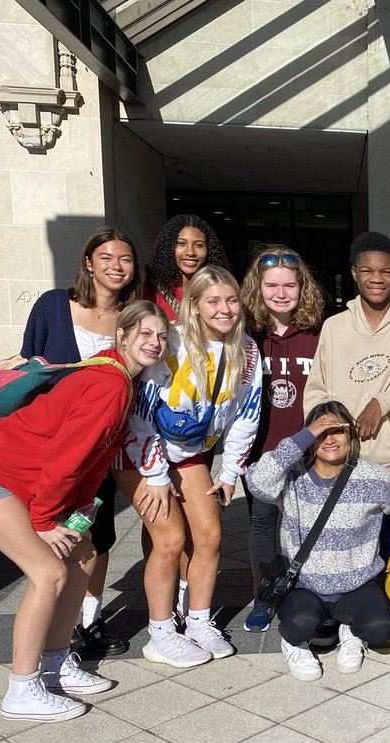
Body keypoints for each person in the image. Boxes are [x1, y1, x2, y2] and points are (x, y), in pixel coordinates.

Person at [0, 301, 169, 721]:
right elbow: (65, 459)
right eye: (144, 333)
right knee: (48, 573)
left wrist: (82, 507)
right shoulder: (110, 384)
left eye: (160, 336)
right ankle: (22, 689)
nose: (154, 342)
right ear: (122, 335)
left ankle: (55, 664)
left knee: (83, 553)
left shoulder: (121, 377)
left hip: (19, 478)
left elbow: (98, 455)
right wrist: (46, 521)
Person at [118, 265, 263, 668]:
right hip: (140, 454)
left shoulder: (248, 352)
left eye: (231, 300)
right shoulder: (171, 344)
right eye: (213, 301)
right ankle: (160, 633)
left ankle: (198, 622)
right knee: (169, 539)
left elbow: (246, 416)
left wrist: (230, 471)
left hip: (189, 453)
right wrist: (156, 476)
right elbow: (139, 418)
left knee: (211, 535)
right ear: (194, 305)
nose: (224, 309)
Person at [21, 227, 144, 657]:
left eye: (125, 259)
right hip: (52, 444)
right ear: (89, 263)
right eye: (106, 257)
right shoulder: (54, 305)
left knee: (96, 531)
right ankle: (56, 623)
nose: (116, 265)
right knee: (51, 532)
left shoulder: (131, 318)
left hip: (101, 445)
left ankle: (88, 620)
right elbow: (30, 366)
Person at [246, 402, 390, 680]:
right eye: (320, 432)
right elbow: (257, 481)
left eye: (337, 431)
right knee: (299, 625)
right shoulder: (293, 477)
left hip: (356, 584)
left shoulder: (371, 478)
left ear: (351, 436)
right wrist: (304, 435)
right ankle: (295, 644)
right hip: (305, 584)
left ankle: (349, 631)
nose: (329, 439)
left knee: (380, 628)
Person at [237, 244, 326, 633]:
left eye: (289, 285)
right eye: (271, 285)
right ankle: (264, 595)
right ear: (257, 288)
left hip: (308, 450)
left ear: (301, 288)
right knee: (262, 525)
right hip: (262, 451)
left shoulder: (319, 333)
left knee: (308, 524)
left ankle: (309, 591)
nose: (280, 293)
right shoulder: (244, 335)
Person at [299, 231, 390, 475]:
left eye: (386, 271)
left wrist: (382, 402)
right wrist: (330, 430)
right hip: (336, 460)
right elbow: (316, 391)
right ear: (354, 273)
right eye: (367, 270)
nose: (377, 279)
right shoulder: (334, 326)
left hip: (385, 460)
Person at [144, 214, 229, 321]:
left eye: (198, 245)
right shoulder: (151, 290)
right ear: (168, 247)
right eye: (181, 243)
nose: (190, 252)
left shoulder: (220, 290)